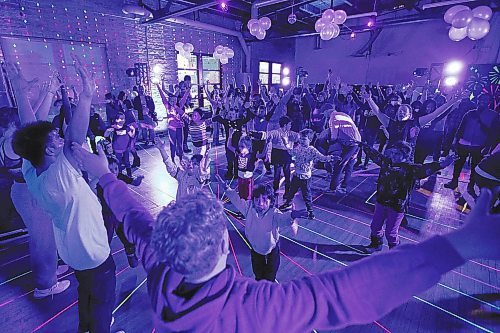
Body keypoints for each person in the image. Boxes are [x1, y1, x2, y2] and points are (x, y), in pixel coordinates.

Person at [72, 141, 499, 333]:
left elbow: (133, 217)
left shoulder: (157, 265)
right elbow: (348, 293)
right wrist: (459, 244)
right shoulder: (254, 309)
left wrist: (104, 174)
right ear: (225, 245)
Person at [7, 57, 119, 333]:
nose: (60, 138)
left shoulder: (32, 169)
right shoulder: (61, 174)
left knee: (86, 291)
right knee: (103, 298)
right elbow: (74, 139)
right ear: (49, 149)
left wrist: (21, 92)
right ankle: (102, 327)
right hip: (92, 251)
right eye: (55, 138)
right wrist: (85, 97)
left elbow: (29, 129)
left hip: (72, 251)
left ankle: (86, 328)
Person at [0, 106, 70, 299]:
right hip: (28, 194)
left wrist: (47, 93)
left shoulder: (5, 141)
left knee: (45, 237)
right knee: (42, 240)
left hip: (21, 191)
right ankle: (45, 286)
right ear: (15, 123)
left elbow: (35, 120)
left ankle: (50, 272)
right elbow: (34, 123)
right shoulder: (13, 143)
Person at [361, 141, 457, 252]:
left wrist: (442, 164)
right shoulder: (386, 163)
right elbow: (375, 155)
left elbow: (425, 169)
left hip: (396, 206)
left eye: (397, 154)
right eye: (392, 153)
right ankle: (376, 244)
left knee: (391, 233)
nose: (393, 156)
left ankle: (395, 252)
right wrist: (362, 144)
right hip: (381, 202)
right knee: (375, 226)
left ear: (405, 156)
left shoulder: (410, 169)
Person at [217, 177, 304, 281]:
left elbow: (283, 219)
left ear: (271, 201)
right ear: (253, 200)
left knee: (270, 276)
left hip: (271, 251)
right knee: (258, 274)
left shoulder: (274, 213)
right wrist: (226, 188)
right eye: (257, 200)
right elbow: (236, 199)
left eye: (264, 200)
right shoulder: (248, 208)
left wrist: (293, 215)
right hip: (255, 249)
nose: (260, 203)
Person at [444, 93, 499, 196]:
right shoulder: (470, 113)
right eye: (481, 99)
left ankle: (470, 186)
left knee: (475, 166)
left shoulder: (493, 115)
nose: (482, 101)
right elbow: (461, 127)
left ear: (489, 102)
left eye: (485, 100)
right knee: (458, 164)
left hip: (479, 146)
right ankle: (454, 181)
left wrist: (488, 147)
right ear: (477, 101)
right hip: (463, 143)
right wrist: (455, 141)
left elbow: (493, 133)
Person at [279, 129, 337, 219]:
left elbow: (322, 158)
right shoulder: (298, 148)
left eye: (304, 139)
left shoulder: (312, 150)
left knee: (307, 195)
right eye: (301, 139)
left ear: (309, 140)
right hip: (296, 176)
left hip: (305, 178)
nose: (301, 141)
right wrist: (285, 143)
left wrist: (331, 157)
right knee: (291, 191)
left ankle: (310, 210)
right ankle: (288, 204)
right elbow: (291, 152)